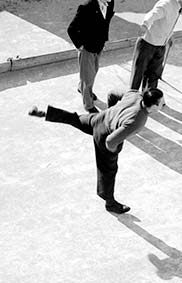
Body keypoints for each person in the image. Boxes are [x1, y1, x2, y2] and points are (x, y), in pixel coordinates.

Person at [28, 88, 165, 214]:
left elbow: (112, 94)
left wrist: (112, 112)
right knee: (108, 170)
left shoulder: (135, 94)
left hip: (99, 118)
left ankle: (45, 114)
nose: (163, 105)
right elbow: (110, 141)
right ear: (153, 107)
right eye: (161, 104)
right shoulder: (138, 120)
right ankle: (110, 203)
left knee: (75, 119)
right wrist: (113, 151)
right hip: (104, 135)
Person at [130, 0, 182, 91]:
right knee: (138, 75)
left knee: (153, 77)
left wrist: (169, 36)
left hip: (161, 46)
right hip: (147, 44)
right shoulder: (167, 4)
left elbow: (167, 23)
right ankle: (131, 100)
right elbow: (153, 14)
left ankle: (149, 101)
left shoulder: (178, 7)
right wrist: (145, 25)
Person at [67, 0, 120, 113]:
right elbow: (71, 29)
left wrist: (104, 39)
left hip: (99, 45)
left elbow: (105, 22)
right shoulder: (86, 8)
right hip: (87, 48)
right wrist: (80, 46)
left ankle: (82, 88)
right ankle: (88, 104)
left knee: (93, 71)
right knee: (88, 77)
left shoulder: (110, 3)